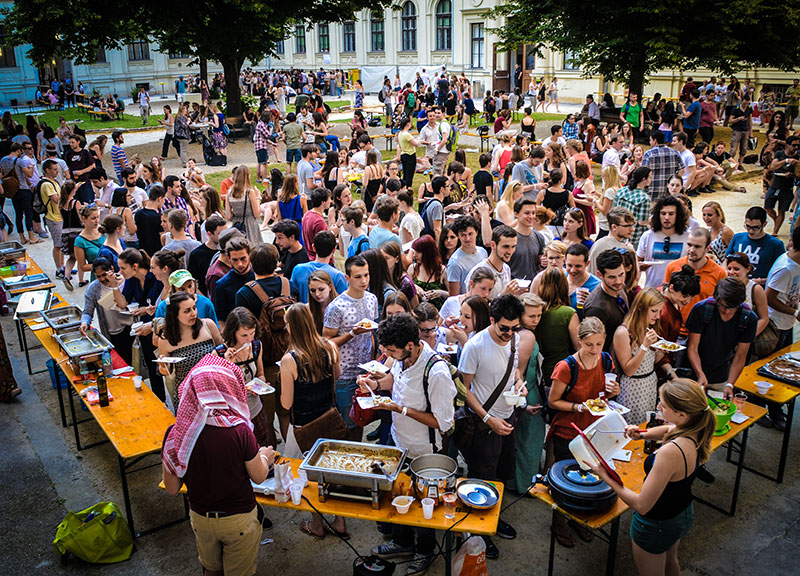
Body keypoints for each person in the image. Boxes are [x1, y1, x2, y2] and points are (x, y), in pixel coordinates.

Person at [588, 379, 715, 576]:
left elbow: (641, 505)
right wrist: (641, 434)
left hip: (657, 524)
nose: (658, 407)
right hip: (681, 513)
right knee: (670, 561)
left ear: (681, 414)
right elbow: (667, 430)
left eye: (663, 405)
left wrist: (606, 477)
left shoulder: (670, 453)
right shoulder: (695, 428)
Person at [161, 355, 274, 576]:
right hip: (238, 519)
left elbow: (172, 487)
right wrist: (264, 456)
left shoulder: (177, 433)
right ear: (230, 387)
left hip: (200, 519)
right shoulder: (240, 431)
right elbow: (259, 476)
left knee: (211, 570)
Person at [363, 313, 456, 573]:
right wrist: (374, 383)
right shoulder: (400, 359)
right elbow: (394, 380)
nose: (389, 355)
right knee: (400, 495)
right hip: (399, 442)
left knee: (425, 505)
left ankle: (425, 551)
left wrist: (401, 409)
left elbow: (444, 423)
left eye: (393, 350)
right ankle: (402, 542)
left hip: (426, 450)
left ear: (411, 346)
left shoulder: (436, 372)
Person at [458, 295, 527, 558]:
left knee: (499, 474)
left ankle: (493, 519)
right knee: (480, 479)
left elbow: (514, 371)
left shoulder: (515, 339)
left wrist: (520, 384)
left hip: (508, 416)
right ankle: (477, 532)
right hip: (484, 423)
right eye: (504, 329)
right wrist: (488, 419)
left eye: (514, 328)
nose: (509, 334)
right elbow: (464, 390)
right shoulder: (475, 346)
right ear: (491, 321)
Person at [546, 317, 619, 547]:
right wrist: (578, 406)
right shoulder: (567, 367)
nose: (594, 350)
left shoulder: (606, 361)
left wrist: (614, 390)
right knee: (567, 480)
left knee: (588, 476)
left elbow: (607, 396)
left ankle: (579, 520)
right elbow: (553, 401)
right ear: (579, 341)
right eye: (589, 345)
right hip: (569, 432)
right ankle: (558, 523)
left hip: (595, 431)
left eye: (599, 344)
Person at [279, 303, 346, 537]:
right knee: (333, 470)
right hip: (329, 418)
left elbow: (286, 404)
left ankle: (317, 525)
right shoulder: (329, 346)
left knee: (307, 476)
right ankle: (340, 521)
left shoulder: (290, 360)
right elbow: (337, 375)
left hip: (303, 427)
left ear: (291, 328)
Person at [322, 255, 379, 438]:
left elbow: (371, 334)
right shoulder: (336, 307)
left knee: (362, 418)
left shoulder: (372, 299)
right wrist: (352, 333)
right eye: (358, 276)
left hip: (366, 371)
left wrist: (374, 361)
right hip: (344, 373)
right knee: (348, 423)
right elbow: (327, 342)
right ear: (347, 278)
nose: (364, 280)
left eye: (366, 275)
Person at [686, 278, 758, 399]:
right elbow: (692, 348)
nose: (727, 311)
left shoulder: (749, 318)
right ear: (716, 299)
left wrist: (730, 384)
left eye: (733, 307)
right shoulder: (701, 310)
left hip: (722, 374)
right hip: (693, 371)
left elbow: (740, 356)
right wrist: (700, 373)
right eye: (723, 306)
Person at [615, 288, 677, 425]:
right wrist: (644, 346)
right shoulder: (623, 332)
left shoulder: (650, 328)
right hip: (633, 389)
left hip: (649, 384)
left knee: (647, 427)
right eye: (654, 311)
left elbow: (651, 361)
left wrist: (662, 349)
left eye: (660, 311)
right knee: (633, 431)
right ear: (641, 308)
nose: (658, 316)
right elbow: (629, 370)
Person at [215, 307, 271, 447]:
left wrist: (259, 384)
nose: (249, 339)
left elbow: (260, 374)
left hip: (255, 408)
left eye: (252, 333)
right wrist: (228, 363)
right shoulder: (220, 354)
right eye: (244, 335)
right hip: (234, 415)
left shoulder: (257, 346)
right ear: (233, 333)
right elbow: (218, 388)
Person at [156, 291, 223, 407]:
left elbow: (223, 354)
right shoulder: (165, 340)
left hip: (214, 388)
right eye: (187, 311)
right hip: (188, 395)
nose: (193, 313)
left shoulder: (208, 325)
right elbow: (167, 372)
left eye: (194, 308)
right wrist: (162, 365)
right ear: (175, 314)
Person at [115, 248, 165, 400]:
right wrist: (113, 286)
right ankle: (160, 400)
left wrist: (147, 309)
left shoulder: (155, 277)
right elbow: (124, 304)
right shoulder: (131, 281)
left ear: (135, 266)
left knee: (165, 366)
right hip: (143, 328)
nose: (120, 272)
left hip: (160, 326)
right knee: (152, 366)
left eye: (123, 268)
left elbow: (162, 303)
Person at [663, 228, 726, 339]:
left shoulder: (719, 273)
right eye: (689, 245)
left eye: (697, 247)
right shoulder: (673, 267)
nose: (691, 250)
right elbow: (664, 299)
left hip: (703, 333)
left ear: (708, 248)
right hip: (675, 331)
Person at [79, 258, 135, 364]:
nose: (102, 279)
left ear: (112, 269)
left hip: (131, 328)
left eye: (104, 274)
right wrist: (84, 322)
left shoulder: (126, 281)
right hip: (112, 331)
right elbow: (87, 311)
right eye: (98, 276)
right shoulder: (94, 288)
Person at [638, 195, 690, 289]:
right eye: (663, 213)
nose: (666, 217)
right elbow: (638, 261)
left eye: (671, 214)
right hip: (652, 290)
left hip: (679, 292)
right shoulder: (647, 236)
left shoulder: (687, 237)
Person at [725, 206, 785, 284]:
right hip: (736, 285)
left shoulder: (775, 245)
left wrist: (760, 281)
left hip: (760, 287)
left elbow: (782, 273)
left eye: (755, 228)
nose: (751, 231)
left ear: (764, 224)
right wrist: (726, 272)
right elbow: (726, 259)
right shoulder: (737, 238)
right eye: (748, 226)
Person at [583, 249, 629, 351]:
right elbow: (593, 347)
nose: (618, 281)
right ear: (600, 275)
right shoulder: (596, 308)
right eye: (612, 277)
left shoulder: (620, 287)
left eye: (621, 274)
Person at [765, 225, 800, 352]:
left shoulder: (796, 263)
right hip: (776, 325)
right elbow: (768, 297)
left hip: (786, 323)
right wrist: (795, 313)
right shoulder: (786, 269)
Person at [290, 231, 348, 304]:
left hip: (302, 313)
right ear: (334, 250)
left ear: (313, 248)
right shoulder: (339, 276)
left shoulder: (298, 269)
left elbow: (291, 295)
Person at [464, 225, 519, 299]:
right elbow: (473, 306)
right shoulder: (478, 272)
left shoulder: (506, 269)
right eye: (505, 246)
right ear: (493, 245)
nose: (510, 251)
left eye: (513, 247)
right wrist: (502, 296)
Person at [213, 237, 255, 327]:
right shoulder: (222, 285)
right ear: (229, 258)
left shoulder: (259, 276)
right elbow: (221, 318)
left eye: (243, 259)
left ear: (249, 255)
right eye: (235, 260)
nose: (240, 264)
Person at [765, 134, 799, 236]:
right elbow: (772, 166)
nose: (796, 147)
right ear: (787, 145)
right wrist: (786, 161)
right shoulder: (780, 154)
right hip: (775, 185)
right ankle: (776, 222)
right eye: (794, 145)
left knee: (782, 210)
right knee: (768, 209)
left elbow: (798, 174)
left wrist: (792, 175)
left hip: (787, 187)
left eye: (798, 145)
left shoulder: (798, 157)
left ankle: (775, 231)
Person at [447, 216, 488, 295]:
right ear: (458, 236)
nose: (468, 238)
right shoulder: (454, 262)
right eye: (463, 235)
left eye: (470, 234)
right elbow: (454, 296)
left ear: (476, 232)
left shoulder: (483, 252)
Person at [642, 130, 685, 201]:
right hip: (669, 192)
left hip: (652, 191)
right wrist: (675, 183)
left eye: (650, 140)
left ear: (655, 140)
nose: (650, 142)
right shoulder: (674, 153)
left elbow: (643, 172)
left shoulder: (649, 154)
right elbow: (682, 169)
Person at [188, 214, 225, 296]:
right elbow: (191, 282)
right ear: (209, 233)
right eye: (220, 234)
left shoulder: (228, 250)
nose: (225, 236)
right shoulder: (197, 254)